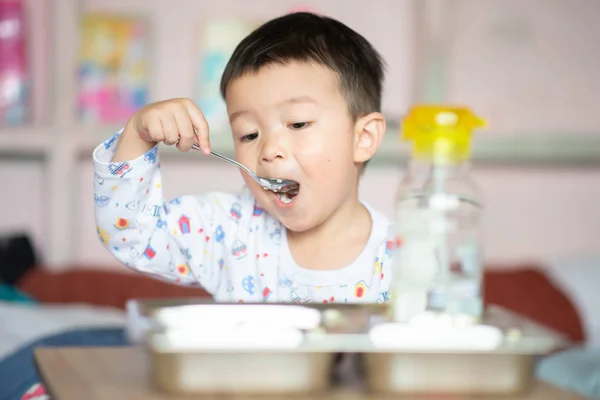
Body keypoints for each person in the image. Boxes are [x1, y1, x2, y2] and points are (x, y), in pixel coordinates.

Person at [93, 11, 394, 304]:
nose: (268, 150)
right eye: (249, 134)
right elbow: (131, 236)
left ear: (363, 138)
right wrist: (137, 135)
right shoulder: (227, 230)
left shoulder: (402, 261)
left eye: (298, 123)